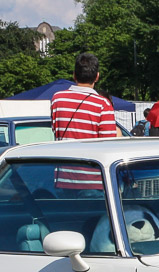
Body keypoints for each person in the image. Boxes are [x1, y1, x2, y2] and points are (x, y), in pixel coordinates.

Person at [50, 52, 118, 191]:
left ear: (74, 75)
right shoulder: (103, 104)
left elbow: (55, 129)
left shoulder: (57, 99)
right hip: (93, 180)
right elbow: (109, 145)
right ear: (97, 76)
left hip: (63, 177)